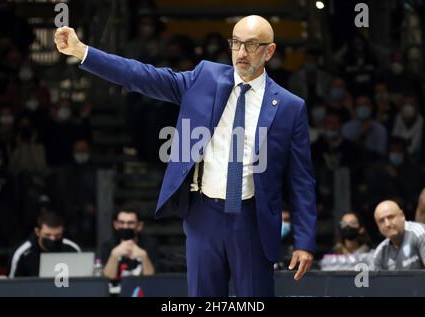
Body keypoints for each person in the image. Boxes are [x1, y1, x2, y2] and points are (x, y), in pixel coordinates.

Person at [54, 15, 317, 297]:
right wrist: (83, 52)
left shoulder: (290, 106)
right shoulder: (205, 77)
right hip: (204, 214)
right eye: (236, 43)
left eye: (251, 45)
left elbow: (301, 181)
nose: (241, 53)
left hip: (252, 219)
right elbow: (142, 75)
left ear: (270, 51)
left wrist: (304, 241)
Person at [8, 211, 81, 277]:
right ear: (37, 232)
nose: (53, 238)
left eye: (57, 235)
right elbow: (13, 285)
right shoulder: (22, 253)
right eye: (47, 235)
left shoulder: (72, 249)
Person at [373, 200, 425, 270]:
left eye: (391, 217)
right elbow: (380, 281)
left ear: (402, 215)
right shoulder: (380, 253)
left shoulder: (420, 233)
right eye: (381, 221)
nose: (387, 224)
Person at [100, 205, 156, 280]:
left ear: (139, 225)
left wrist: (144, 256)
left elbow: (152, 279)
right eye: (121, 222)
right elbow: (106, 279)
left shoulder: (150, 244)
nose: (125, 227)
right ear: (116, 225)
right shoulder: (108, 245)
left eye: (130, 223)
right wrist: (114, 255)